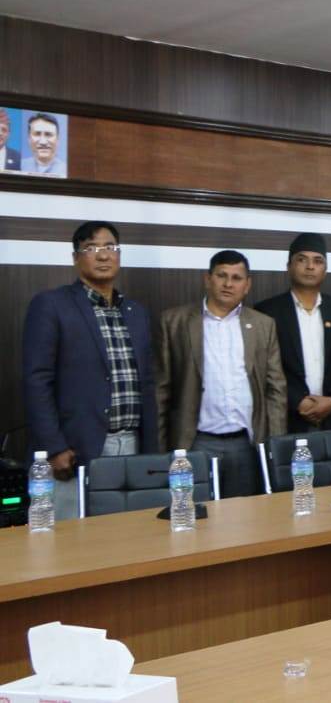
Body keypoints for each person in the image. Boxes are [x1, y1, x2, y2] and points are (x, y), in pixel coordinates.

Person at [22, 221, 158, 520]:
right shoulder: (52, 305)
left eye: (110, 247)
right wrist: (54, 447)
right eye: (91, 248)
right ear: (76, 258)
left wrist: (151, 449)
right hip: (75, 449)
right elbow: (36, 381)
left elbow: (147, 383)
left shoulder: (136, 312)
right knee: (69, 538)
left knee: (129, 533)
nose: (103, 255)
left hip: (132, 445)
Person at [155, 250, 287, 497]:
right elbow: (161, 390)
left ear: (247, 285)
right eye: (221, 276)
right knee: (193, 512)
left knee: (244, 515)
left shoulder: (263, 325)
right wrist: (160, 450)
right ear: (208, 279)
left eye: (237, 278)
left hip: (246, 443)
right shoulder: (175, 322)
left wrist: (275, 445)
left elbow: (276, 390)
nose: (228, 284)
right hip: (195, 442)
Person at [254, 232, 331, 434]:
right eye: (302, 260)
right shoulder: (267, 312)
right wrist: (297, 400)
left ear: (325, 270)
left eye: (318, 261)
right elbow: (263, 368)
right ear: (289, 266)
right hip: (287, 418)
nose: (310, 266)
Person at [20, 112, 66, 177]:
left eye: (48, 134)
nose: (43, 142)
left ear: (58, 139)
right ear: (29, 139)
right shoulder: (19, 166)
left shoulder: (67, 171)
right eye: (37, 134)